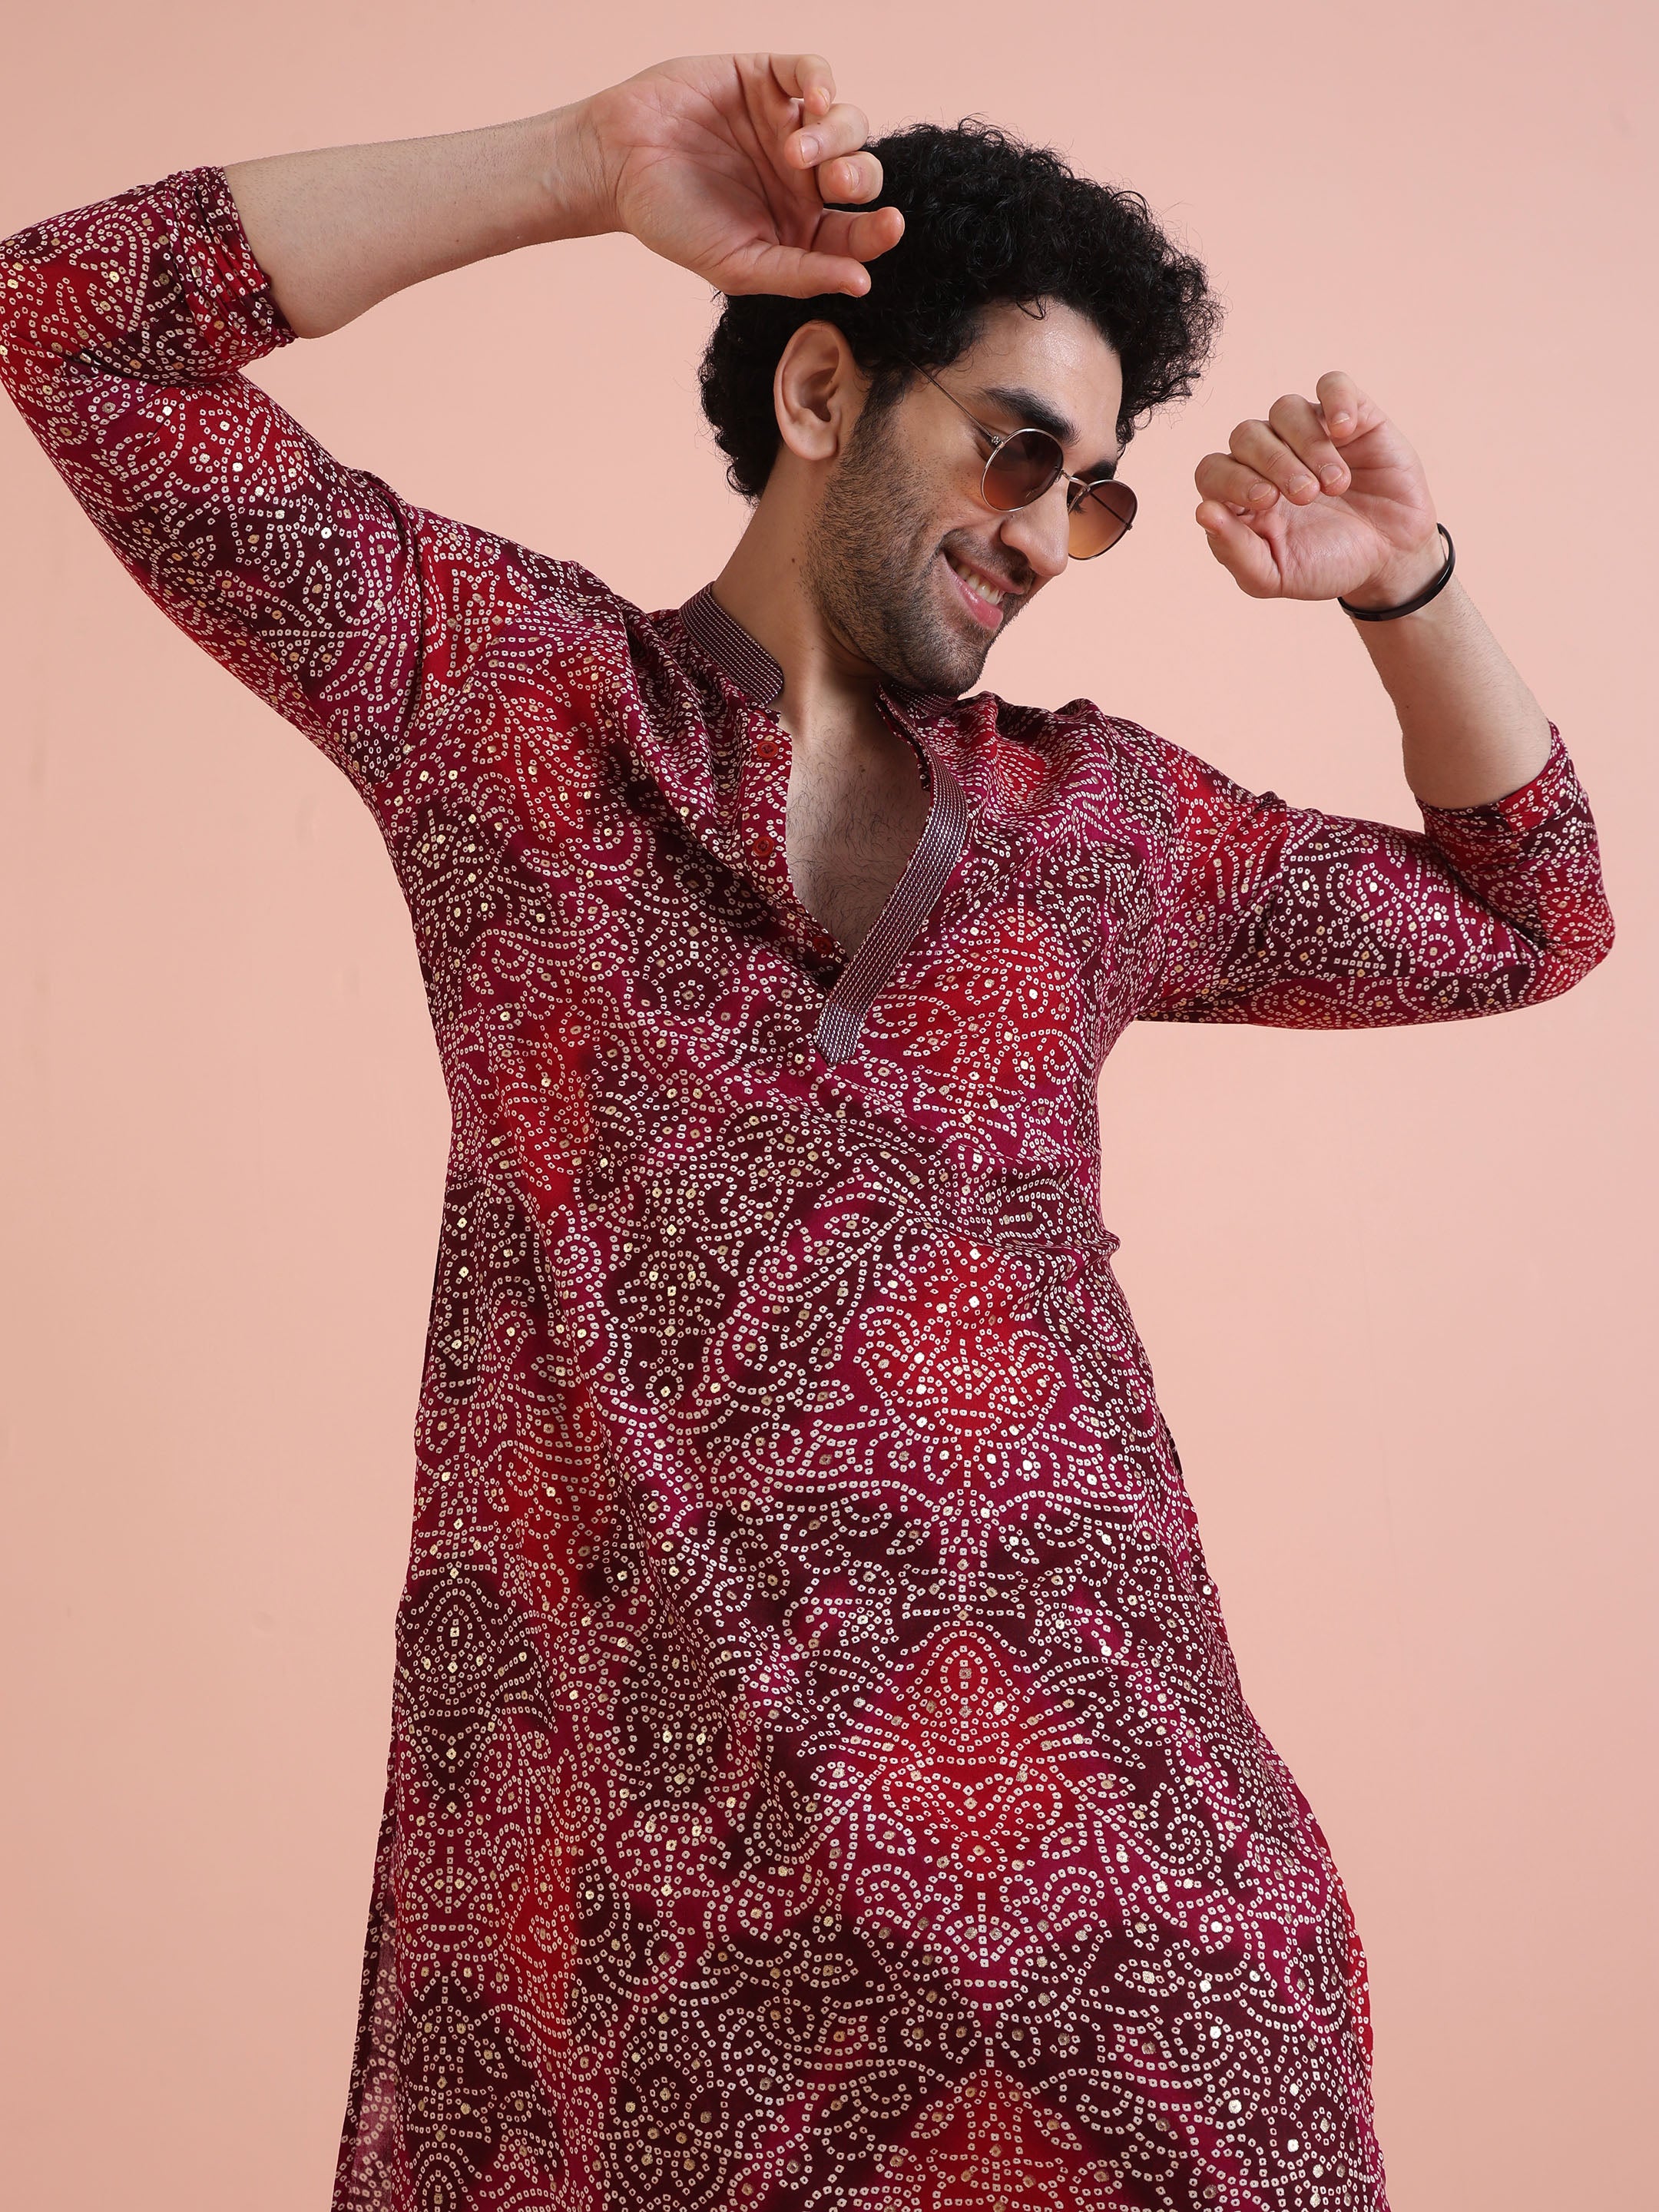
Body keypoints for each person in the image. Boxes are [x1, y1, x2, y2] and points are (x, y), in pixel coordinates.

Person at [0, 48, 1612, 2212]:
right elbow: (77, 324)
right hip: (651, 1935)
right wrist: (573, 169)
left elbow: (1534, 912)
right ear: (827, 390)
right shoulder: (519, 710)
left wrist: (1407, 583)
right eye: (1016, 450)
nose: (1044, 536)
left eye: (1092, 496)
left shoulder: (1099, 827)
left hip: (1136, 1938)